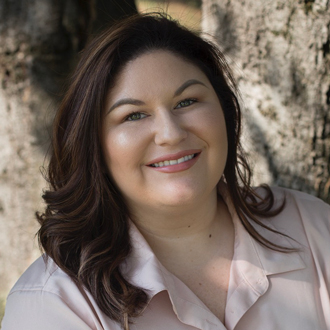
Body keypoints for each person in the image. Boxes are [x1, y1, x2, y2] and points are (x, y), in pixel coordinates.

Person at [1, 13, 330, 330]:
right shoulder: (53, 305)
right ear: (95, 146)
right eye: (133, 115)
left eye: (187, 101)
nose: (171, 133)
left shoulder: (312, 227)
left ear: (225, 112)